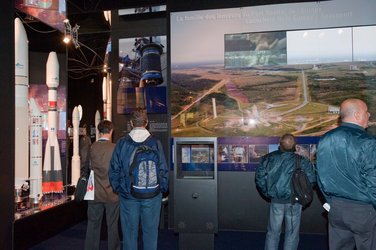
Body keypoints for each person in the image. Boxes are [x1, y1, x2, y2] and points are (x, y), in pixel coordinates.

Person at [316, 98, 376, 250]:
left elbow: (321, 176)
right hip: (364, 210)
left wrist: (331, 202)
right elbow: (374, 180)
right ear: (357, 115)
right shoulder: (368, 142)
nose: (369, 115)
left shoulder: (325, 139)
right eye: (366, 111)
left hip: (336, 209)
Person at [109, 108, 169, 250]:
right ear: (146, 123)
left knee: (129, 234)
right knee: (150, 234)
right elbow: (163, 169)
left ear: (131, 123)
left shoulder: (122, 143)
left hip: (128, 195)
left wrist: (120, 189)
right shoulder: (155, 143)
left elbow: (113, 170)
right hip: (152, 196)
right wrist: (162, 189)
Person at [255, 134, 316, 250]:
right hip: (295, 202)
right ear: (295, 146)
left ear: (279, 144)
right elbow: (312, 180)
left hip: (276, 201)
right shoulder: (302, 161)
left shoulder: (268, 158)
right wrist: (302, 195)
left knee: (273, 233)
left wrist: (268, 193)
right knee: (292, 234)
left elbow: (259, 178)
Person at [84, 120, 120, 250]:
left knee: (93, 225)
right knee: (113, 225)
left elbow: (87, 168)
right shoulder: (115, 148)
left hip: (94, 193)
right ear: (111, 131)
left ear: (99, 132)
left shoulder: (92, 147)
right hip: (112, 194)